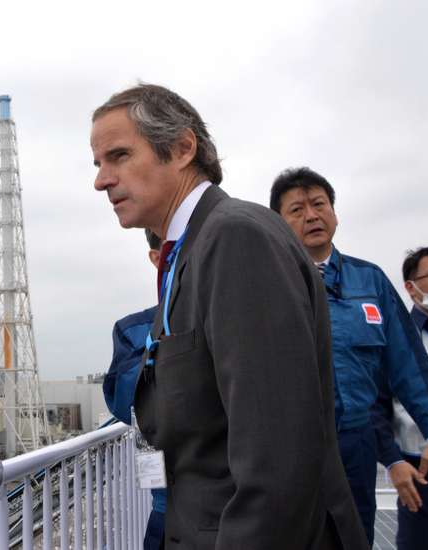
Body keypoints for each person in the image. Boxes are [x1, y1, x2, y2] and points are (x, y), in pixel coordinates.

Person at [90, 84, 366, 549]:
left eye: (118, 156)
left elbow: (276, 459)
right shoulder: (191, 250)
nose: (101, 180)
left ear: (181, 148)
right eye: (98, 164)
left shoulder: (236, 238)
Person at [269, 168, 428, 545]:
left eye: (319, 204)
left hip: (356, 441)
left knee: (356, 534)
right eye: (297, 209)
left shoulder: (370, 280)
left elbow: (408, 363)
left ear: (334, 212)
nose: (311, 215)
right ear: (279, 223)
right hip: (291, 445)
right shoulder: (266, 282)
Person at [102, 229, 163, 549]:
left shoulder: (233, 318)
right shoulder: (135, 330)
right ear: (157, 258)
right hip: (170, 497)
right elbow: (124, 402)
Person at [373, 246, 428, 549]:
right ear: (410, 288)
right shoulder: (395, 339)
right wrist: (392, 460)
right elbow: (376, 406)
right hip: (422, 475)